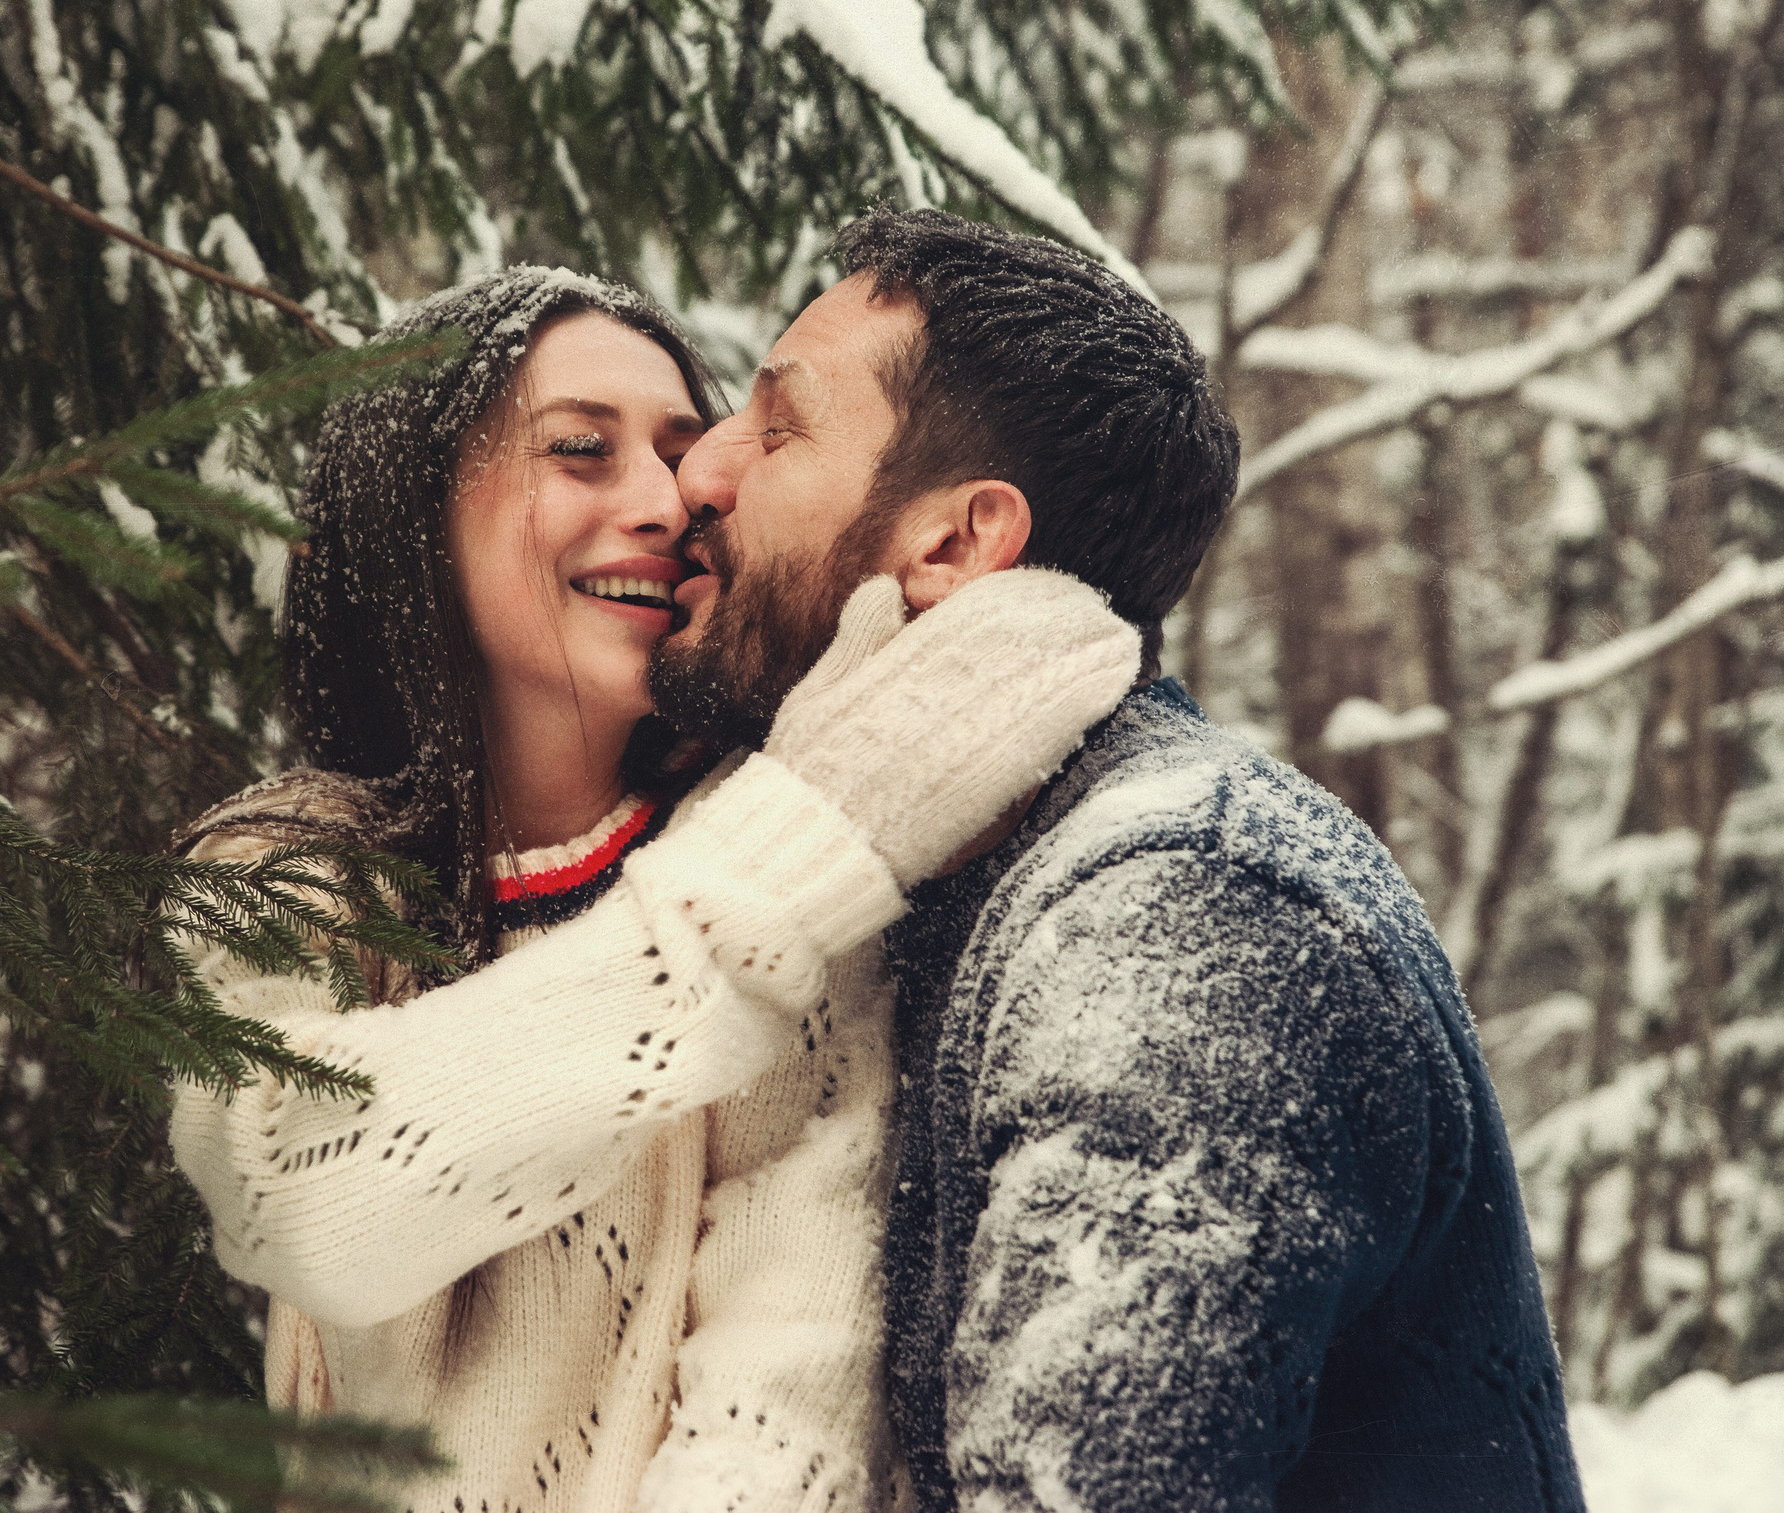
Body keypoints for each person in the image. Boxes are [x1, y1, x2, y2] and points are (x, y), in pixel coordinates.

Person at [650, 207, 1586, 1513]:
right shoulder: (959, 879)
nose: (700, 473)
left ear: (957, 542)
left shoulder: (1183, 918)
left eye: (780, 426)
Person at [164, 266, 1138, 1513]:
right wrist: (791, 848)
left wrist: (790, 839)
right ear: (409, 507)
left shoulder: (795, 884)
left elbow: (792, 1397)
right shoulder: (279, 876)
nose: (662, 501)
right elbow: (298, 1191)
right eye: (580, 450)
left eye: (683, 454)